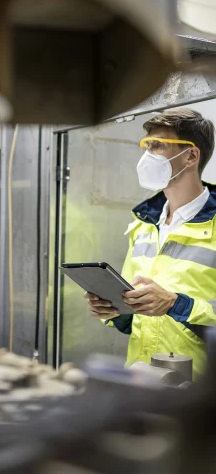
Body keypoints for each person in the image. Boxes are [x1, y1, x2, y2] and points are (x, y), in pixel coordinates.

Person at [86, 108, 216, 379]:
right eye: (147, 146)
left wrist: (176, 304)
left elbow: (172, 306)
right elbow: (137, 317)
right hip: (144, 379)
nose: (147, 156)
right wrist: (115, 311)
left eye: (158, 145)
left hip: (201, 389)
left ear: (191, 155)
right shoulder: (144, 223)